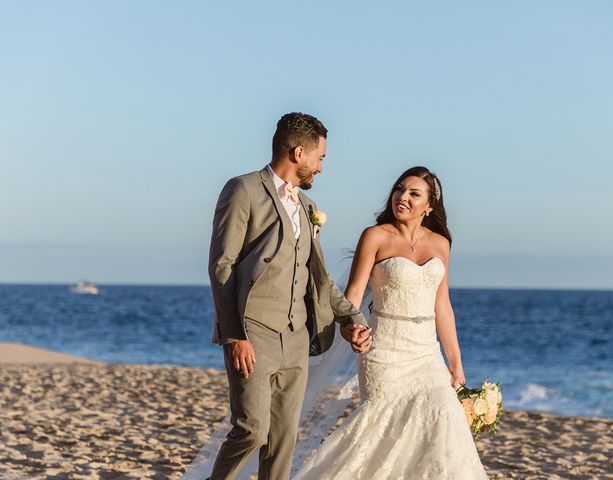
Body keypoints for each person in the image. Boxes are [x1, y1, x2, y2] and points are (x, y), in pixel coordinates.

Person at [293, 166, 488, 479]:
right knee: (381, 431)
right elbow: (353, 294)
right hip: (383, 349)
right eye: (399, 189)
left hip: (426, 352)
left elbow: (443, 307)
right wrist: (350, 327)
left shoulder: (441, 244)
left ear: (430, 206)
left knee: (442, 422)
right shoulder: (375, 236)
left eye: (414, 193)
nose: (403, 197)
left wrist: (456, 364)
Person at [207, 112, 372, 480]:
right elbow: (222, 266)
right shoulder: (243, 190)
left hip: (297, 338)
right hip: (254, 332)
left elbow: (321, 280)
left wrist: (351, 318)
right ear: (299, 153)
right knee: (251, 429)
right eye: (320, 158)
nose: (321, 168)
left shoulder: (308, 208)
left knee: (282, 440)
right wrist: (235, 335)